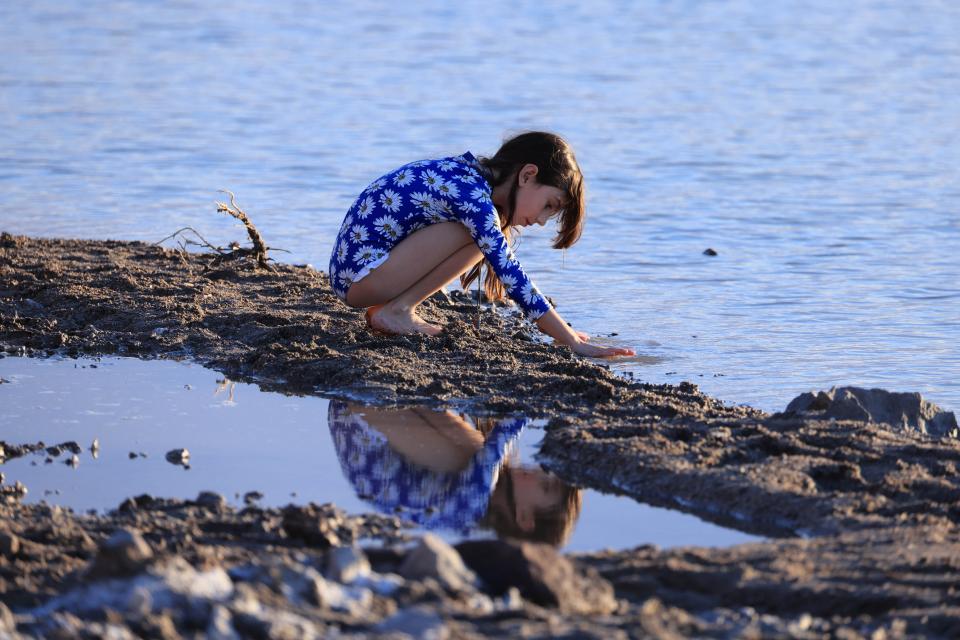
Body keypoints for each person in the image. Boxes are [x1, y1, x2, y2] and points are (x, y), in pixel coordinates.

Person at [328, 131, 635, 358]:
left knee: (485, 236)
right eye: (548, 205)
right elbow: (510, 273)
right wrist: (571, 340)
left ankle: (397, 309)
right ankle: (397, 310)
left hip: (360, 273)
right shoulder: (473, 196)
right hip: (361, 276)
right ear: (528, 175)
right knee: (483, 236)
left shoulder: (469, 178)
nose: (541, 221)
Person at [327, 400, 582, 546]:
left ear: (525, 518)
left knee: (477, 456)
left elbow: (501, 438)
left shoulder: (472, 507)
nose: (542, 471)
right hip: (357, 417)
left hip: (357, 413)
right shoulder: (470, 520)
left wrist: (538, 405)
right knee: (478, 456)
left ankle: (405, 394)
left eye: (546, 486)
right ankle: (407, 394)